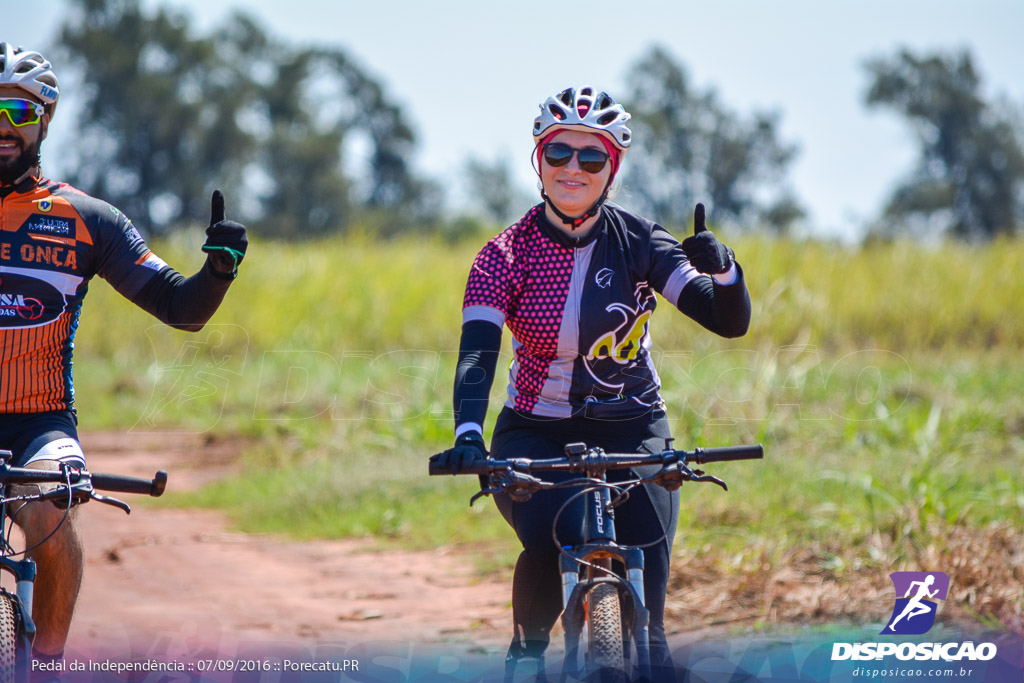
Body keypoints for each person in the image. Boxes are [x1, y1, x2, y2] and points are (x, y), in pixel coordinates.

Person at [434, 85, 751, 678]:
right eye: (558, 153)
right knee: (561, 532)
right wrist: (470, 433)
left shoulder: (641, 241)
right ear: (538, 158)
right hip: (535, 432)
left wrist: (726, 270)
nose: (572, 169)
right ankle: (527, 656)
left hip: (635, 424)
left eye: (591, 156)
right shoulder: (503, 256)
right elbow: (478, 354)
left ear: (614, 166)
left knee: (652, 598)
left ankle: (650, 653)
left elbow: (728, 321)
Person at [0, 42, 247, 665]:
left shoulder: (88, 219)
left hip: (39, 421)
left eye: (18, 112)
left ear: (46, 119)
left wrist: (217, 271)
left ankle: (48, 667)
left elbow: (180, 308)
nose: (3, 127)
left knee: (52, 517)